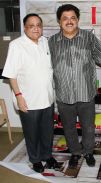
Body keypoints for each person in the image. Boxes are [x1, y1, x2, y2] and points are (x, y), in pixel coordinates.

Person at [48, 4, 101, 168]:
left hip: (85, 93)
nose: (69, 21)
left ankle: (88, 152)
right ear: (59, 21)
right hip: (64, 94)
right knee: (68, 128)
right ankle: (75, 152)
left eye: (72, 18)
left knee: (88, 128)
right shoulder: (52, 42)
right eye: (65, 18)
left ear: (78, 20)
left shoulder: (88, 38)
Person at [2, 13, 59, 173]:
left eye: (38, 25)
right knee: (32, 133)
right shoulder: (17, 45)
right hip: (28, 99)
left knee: (47, 131)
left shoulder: (45, 42)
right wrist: (19, 96)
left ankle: (47, 155)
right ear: (25, 28)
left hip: (47, 97)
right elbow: (11, 74)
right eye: (31, 25)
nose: (36, 28)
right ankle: (35, 159)